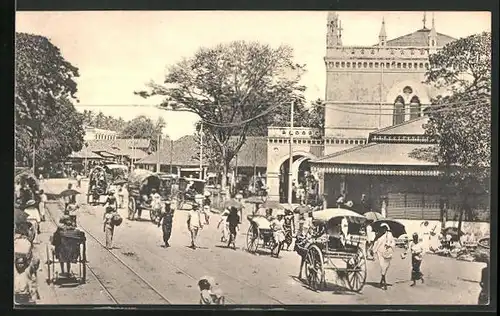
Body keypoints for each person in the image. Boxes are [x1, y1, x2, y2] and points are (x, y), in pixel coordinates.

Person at [373, 223, 395, 290]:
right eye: (382, 228)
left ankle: (381, 281)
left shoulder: (390, 235)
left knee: (386, 267)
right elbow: (376, 243)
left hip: (388, 252)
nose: (383, 229)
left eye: (384, 228)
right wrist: (373, 251)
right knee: (383, 267)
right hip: (380, 253)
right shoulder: (379, 235)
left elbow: (393, 242)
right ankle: (384, 283)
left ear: (386, 229)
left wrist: (389, 245)